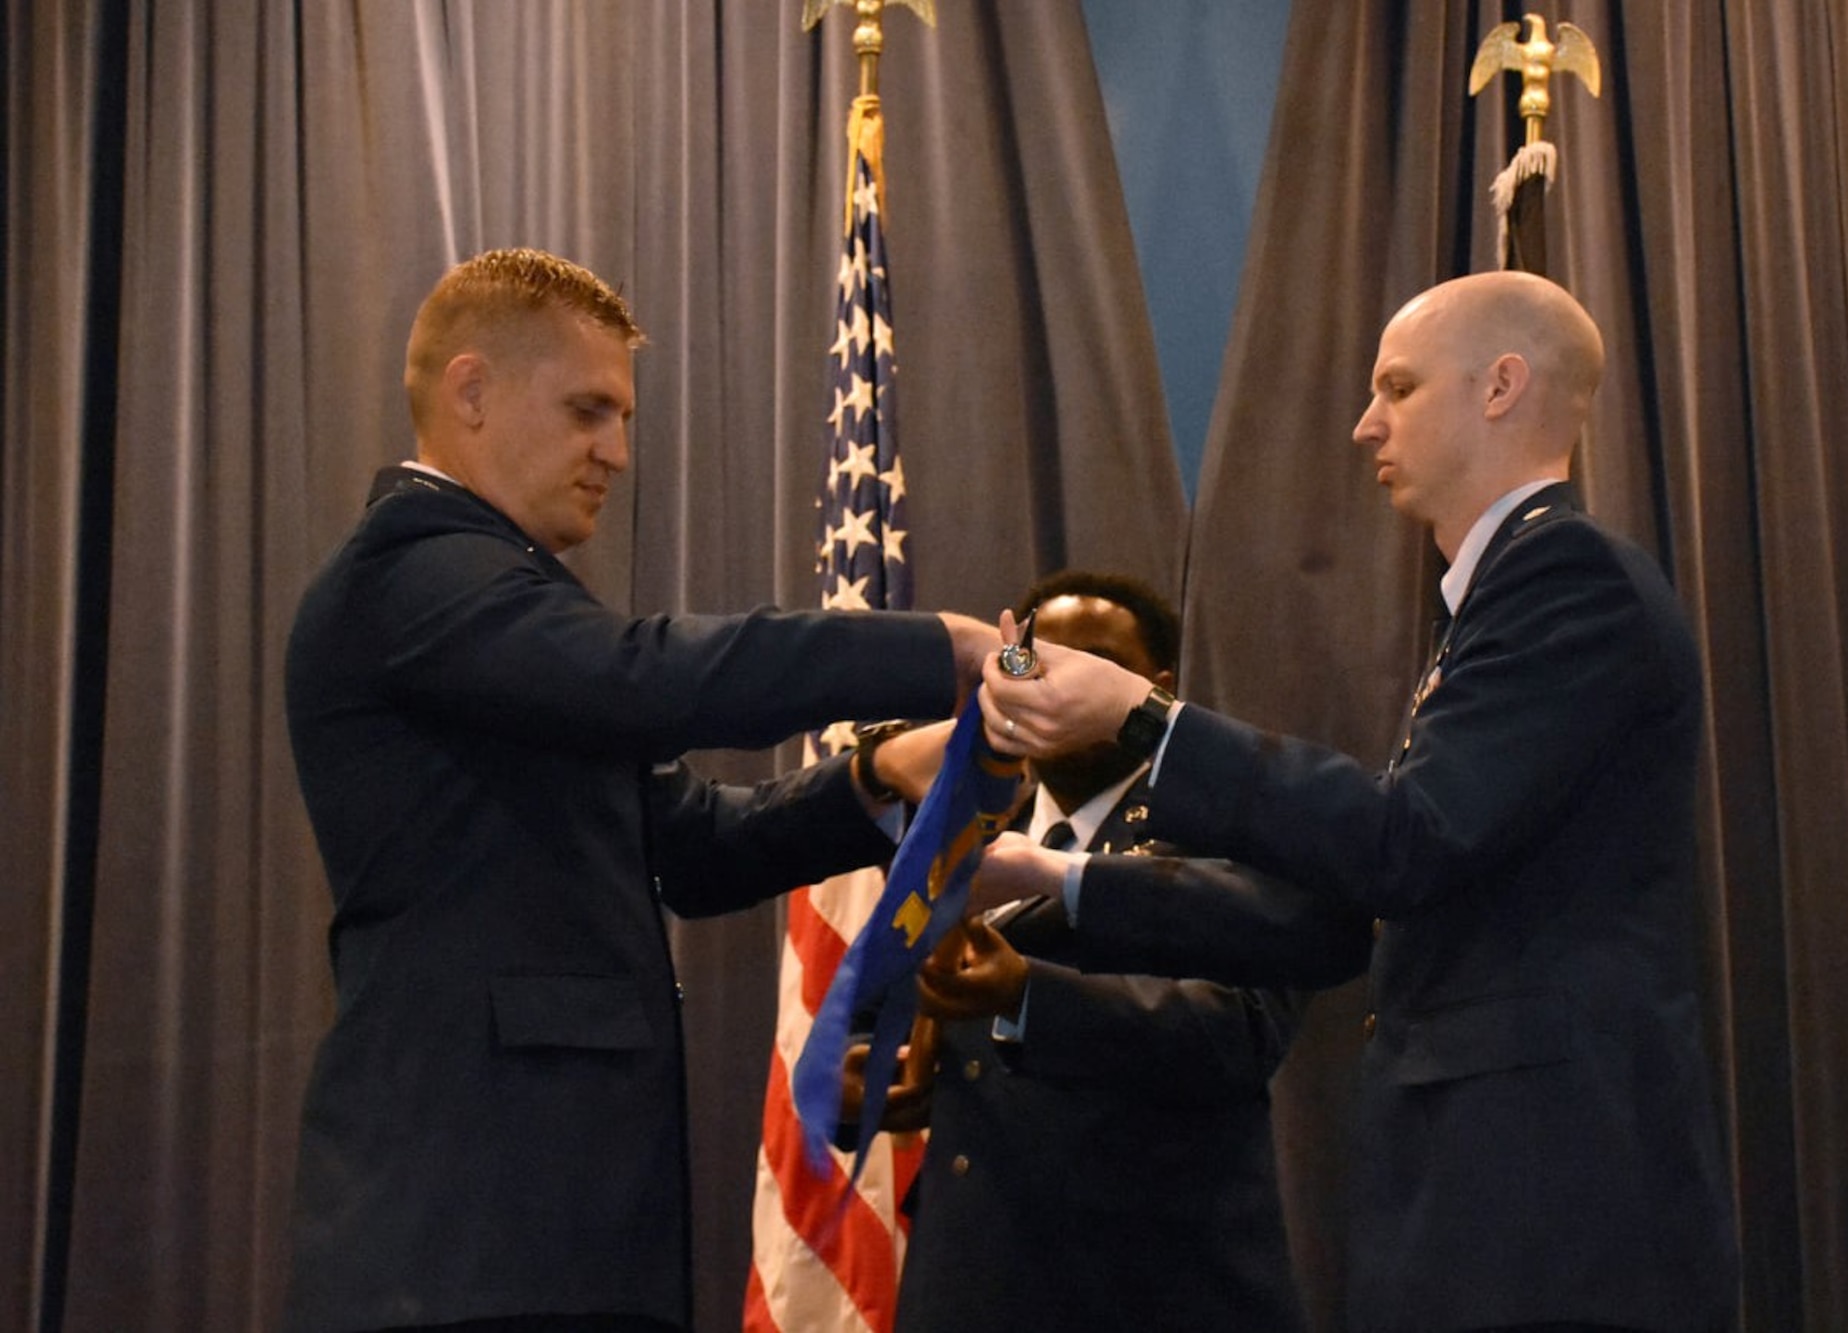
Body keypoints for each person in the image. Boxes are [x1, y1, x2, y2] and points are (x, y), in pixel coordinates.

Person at [968, 271, 1740, 1333]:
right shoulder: (1504, 596)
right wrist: (1043, 873)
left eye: (1397, 386)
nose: (1361, 422)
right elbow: (1338, 918)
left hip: (1547, 1211)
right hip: (1488, 1199)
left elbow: (1401, 844)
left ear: (1500, 386)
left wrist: (1145, 722)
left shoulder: (1566, 577)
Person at [282, 247, 995, 1333]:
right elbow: (643, 678)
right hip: (462, 1247)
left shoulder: (500, 606)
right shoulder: (413, 572)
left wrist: (873, 777)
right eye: (586, 411)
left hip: (542, 1245)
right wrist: (932, 648)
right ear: (470, 391)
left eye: (620, 417)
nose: (616, 451)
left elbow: (688, 847)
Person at [855, 570, 1330, 1333]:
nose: (1049, 689)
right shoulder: (958, 821)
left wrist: (1027, 996)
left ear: (1156, 688)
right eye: (1032, 665)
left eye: (1092, 667)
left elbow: (1238, 1029)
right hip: (972, 1283)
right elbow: (888, 1004)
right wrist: (872, 1080)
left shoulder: (1235, 826)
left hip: (1158, 1288)